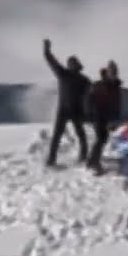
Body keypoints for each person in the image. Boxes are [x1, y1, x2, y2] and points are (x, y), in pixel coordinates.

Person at [43, 38, 91, 167]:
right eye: (70, 63)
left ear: (77, 65)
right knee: (57, 136)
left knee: (81, 134)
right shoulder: (62, 74)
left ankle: (83, 156)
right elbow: (52, 62)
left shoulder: (84, 80)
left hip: (77, 110)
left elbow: (90, 96)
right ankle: (51, 159)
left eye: (73, 63)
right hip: (63, 110)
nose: (71, 65)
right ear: (68, 65)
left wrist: (89, 112)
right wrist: (47, 50)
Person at [86, 61, 123, 174]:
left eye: (115, 71)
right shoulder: (98, 84)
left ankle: (91, 160)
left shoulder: (116, 86)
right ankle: (93, 163)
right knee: (101, 138)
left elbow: (117, 103)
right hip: (97, 115)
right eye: (111, 71)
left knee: (103, 138)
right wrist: (89, 114)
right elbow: (88, 99)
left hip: (108, 117)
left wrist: (115, 118)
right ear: (107, 72)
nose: (113, 73)